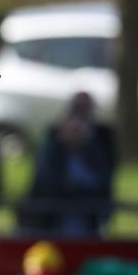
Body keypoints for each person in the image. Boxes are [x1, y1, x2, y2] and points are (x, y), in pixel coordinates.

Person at [18, 92, 116, 237]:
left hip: (86, 212)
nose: (75, 136)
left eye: (79, 131)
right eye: (72, 131)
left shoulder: (96, 151)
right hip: (54, 213)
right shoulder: (52, 151)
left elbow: (102, 182)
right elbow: (46, 183)